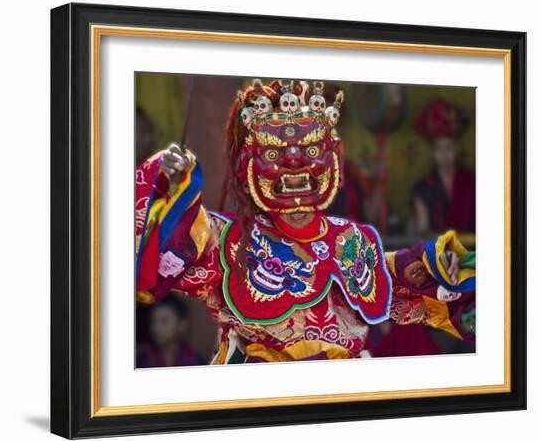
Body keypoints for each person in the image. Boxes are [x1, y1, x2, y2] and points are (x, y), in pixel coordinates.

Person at [135, 79, 475, 364]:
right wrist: (166, 183)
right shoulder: (231, 241)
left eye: (311, 152)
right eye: (273, 155)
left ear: (334, 158)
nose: (294, 166)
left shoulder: (351, 239)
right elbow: (163, 247)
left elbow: (395, 287)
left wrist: (440, 268)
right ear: (248, 168)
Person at [412, 98, 475, 235]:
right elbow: (423, 230)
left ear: (457, 149)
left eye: (449, 148)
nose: (444, 154)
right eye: (438, 149)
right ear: (431, 152)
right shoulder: (422, 189)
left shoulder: (473, 182)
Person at [137, 293, 204, 367]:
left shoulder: (195, 362)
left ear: (181, 325)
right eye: (153, 321)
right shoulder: (142, 360)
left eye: (164, 321)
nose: (156, 328)